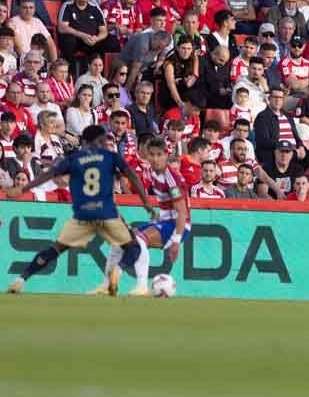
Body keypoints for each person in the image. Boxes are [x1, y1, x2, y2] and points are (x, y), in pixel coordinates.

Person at [6, 125, 155, 295]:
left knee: (55, 249)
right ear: (100, 140)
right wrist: (146, 202)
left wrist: (23, 190)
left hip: (83, 215)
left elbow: (49, 175)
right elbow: (132, 175)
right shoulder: (111, 157)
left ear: (84, 141)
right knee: (134, 247)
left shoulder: (74, 158)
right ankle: (118, 270)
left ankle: (21, 279)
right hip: (107, 213)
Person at [108, 136, 191, 296]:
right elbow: (167, 204)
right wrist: (157, 215)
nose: (155, 158)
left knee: (139, 241)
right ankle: (111, 281)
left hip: (178, 226)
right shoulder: (152, 172)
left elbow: (182, 212)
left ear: (166, 154)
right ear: (147, 155)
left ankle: (141, 286)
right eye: (152, 154)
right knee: (124, 241)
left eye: (159, 154)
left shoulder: (171, 178)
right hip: (166, 221)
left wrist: (176, 242)